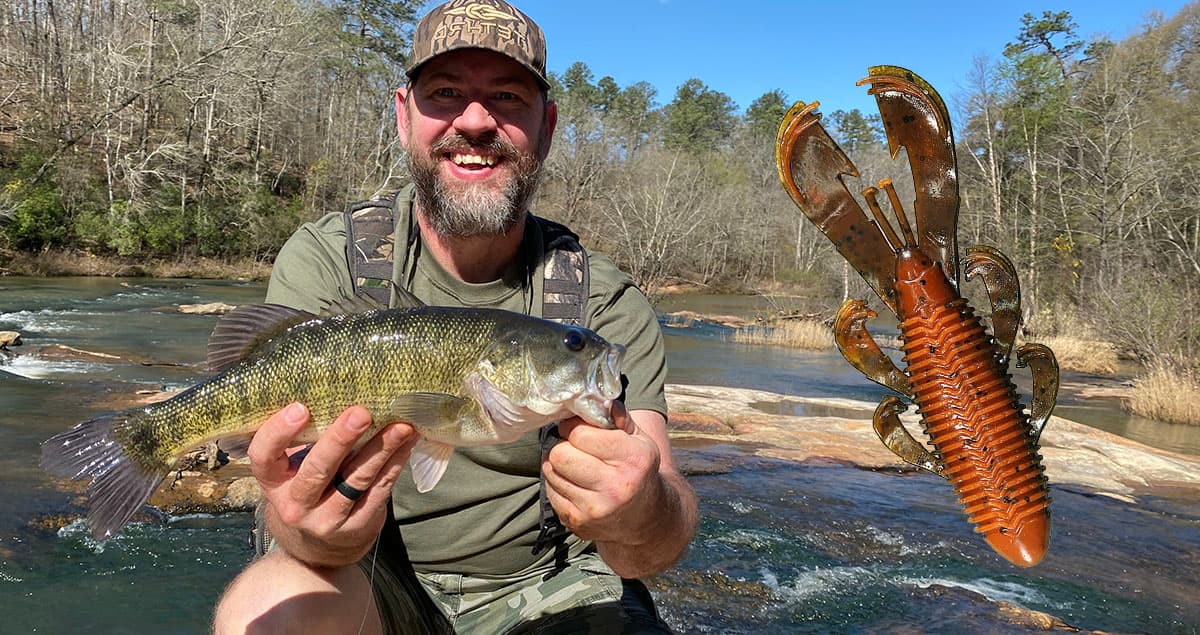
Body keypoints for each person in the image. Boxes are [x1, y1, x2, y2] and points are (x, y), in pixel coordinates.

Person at [212, 0, 698, 632]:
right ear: (403, 114)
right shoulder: (330, 259)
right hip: (365, 575)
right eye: (445, 92)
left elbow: (657, 540)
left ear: (546, 127)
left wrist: (642, 511)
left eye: (507, 97)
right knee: (268, 611)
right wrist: (316, 532)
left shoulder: (600, 298)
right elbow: (290, 512)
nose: (475, 122)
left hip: (551, 589)